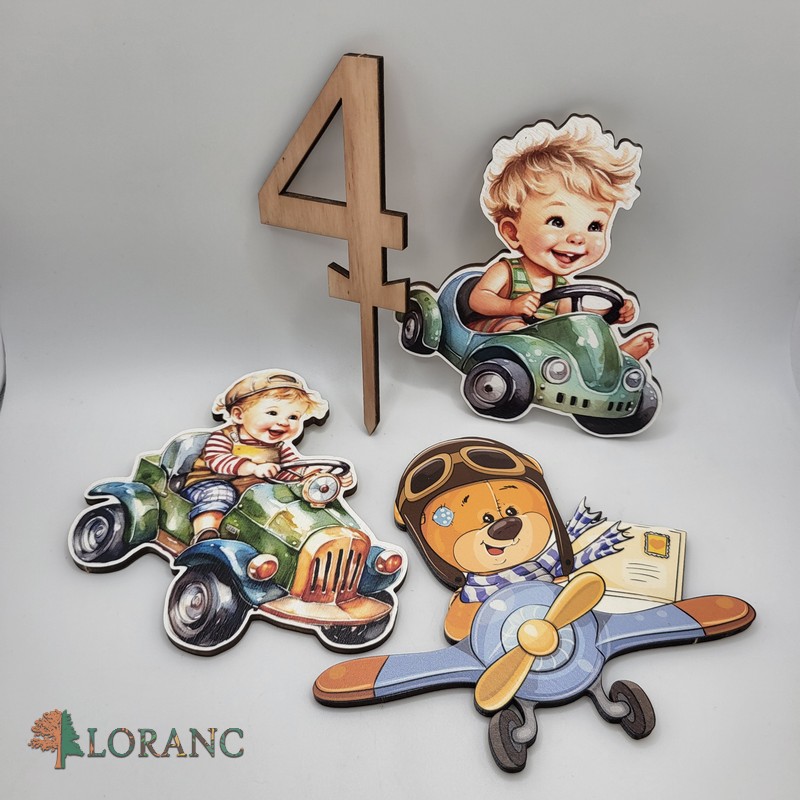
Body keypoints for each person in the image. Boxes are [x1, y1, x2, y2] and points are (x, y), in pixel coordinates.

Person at [469, 115, 656, 360]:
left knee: (577, 332)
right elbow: (478, 299)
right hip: (495, 333)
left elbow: (574, 316)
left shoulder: (560, 286)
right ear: (512, 232)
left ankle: (612, 359)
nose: (578, 238)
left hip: (545, 348)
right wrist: (511, 306)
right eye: (557, 222)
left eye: (594, 226)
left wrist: (611, 314)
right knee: (517, 330)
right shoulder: (507, 271)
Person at [182, 369, 334, 543]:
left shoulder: (281, 448)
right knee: (221, 493)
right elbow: (217, 460)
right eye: (272, 413)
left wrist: (320, 478)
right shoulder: (225, 437)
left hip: (251, 494)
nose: (284, 422)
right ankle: (206, 534)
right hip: (207, 484)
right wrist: (253, 468)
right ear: (238, 415)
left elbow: (293, 472)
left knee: (282, 504)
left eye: (293, 417)